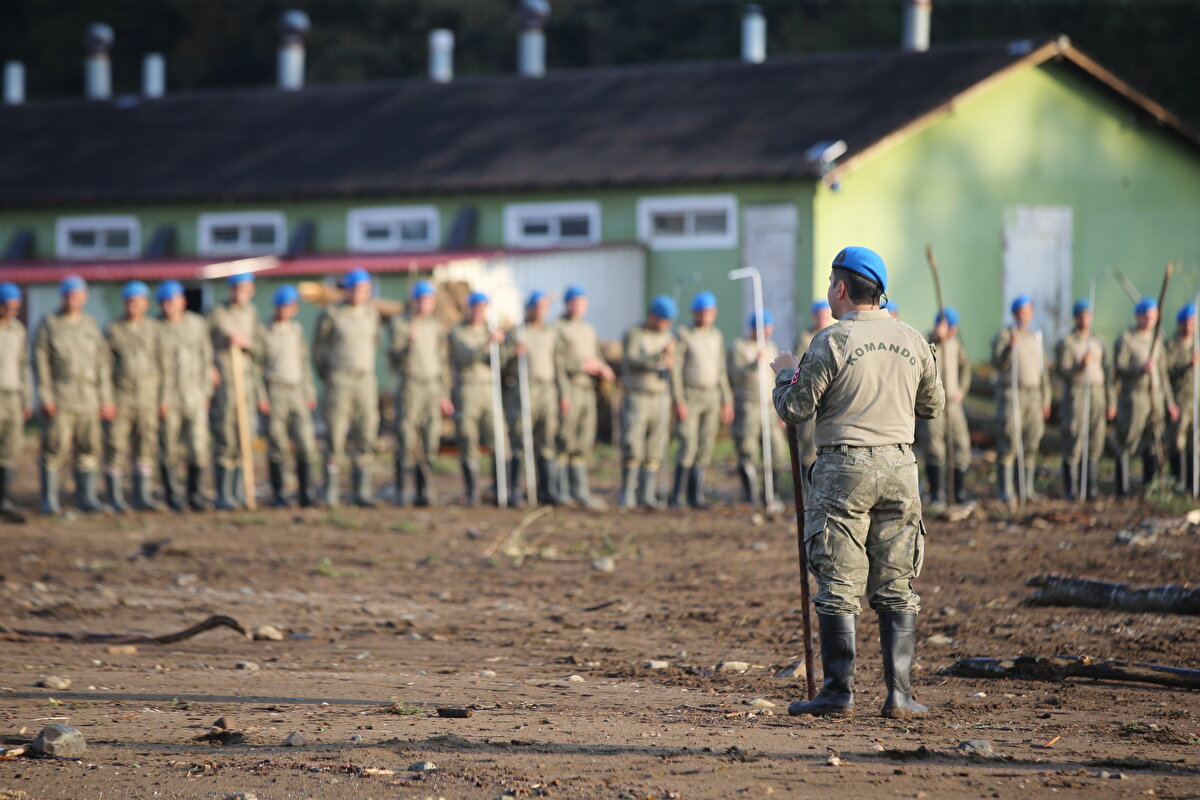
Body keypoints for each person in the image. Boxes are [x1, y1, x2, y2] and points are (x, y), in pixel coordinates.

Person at [771, 245, 943, 719]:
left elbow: (795, 410)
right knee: (896, 581)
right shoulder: (912, 339)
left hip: (844, 470)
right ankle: (900, 694)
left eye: (830, 283)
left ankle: (837, 692)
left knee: (839, 581)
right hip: (900, 470)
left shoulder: (831, 341)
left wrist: (786, 374)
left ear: (841, 288)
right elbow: (933, 405)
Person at [33, 275, 114, 514]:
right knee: (53, 449)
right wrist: (46, 397)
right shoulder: (50, 324)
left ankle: (86, 498)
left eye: (78, 295)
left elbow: (102, 365)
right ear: (62, 297)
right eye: (69, 295)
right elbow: (41, 364)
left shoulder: (90, 325)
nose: (73, 300)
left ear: (84, 297)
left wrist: (106, 399)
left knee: (88, 449)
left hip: (88, 398)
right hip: (61, 397)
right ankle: (49, 500)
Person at [312, 267, 381, 507]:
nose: (360, 293)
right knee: (335, 434)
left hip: (365, 380)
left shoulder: (372, 315)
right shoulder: (333, 315)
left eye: (365, 289)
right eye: (356, 288)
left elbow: (375, 342)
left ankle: (361, 491)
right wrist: (329, 375)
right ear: (347, 290)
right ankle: (330, 490)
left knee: (366, 434)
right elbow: (318, 351)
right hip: (340, 379)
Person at [388, 279, 452, 507]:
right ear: (413, 301)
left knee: (430, 437)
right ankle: (400, 490)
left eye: (429, 300)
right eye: (421, 300)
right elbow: (393, 356)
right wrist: (407, 342)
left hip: (432, 387)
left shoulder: (436, 326)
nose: (425, 304)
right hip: (410, 386)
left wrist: (444, 394)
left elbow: (443, 362)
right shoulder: (401, 323)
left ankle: (424, 490)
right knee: (406, 438)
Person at [668, 291, 733, 509]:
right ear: (694, 313)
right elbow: (675, 370)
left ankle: (697, 495)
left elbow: (721, 370)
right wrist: (679, 400)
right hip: (690, 394)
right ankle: (677, 495)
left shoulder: (716, 336)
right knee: (688, 443)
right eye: (701, 313)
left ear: (714, 314)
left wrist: (727, 400)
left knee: (705, 445)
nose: (705, 317)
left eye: (709, 313)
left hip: (711, 395)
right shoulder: (684, 334)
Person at [105, 281, 164, 511]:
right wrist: (107, 399)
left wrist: (163, 398)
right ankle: (115, 498)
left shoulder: (154, 329)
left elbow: (162, 364)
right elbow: (105, 367)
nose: (133, 307)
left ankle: (143, 497)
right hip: (122, 396)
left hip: (148, 396)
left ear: (146, 304)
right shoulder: (114, 329)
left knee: (146, 445)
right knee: (116, 445)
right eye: (130, 302)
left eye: (138, 302)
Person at [209, 272, 267, 510]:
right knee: (226, 436)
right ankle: (224, 494)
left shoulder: (252, 314)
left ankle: (239, 491)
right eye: (237, 288)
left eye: (246, 288)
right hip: (225, 382)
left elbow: (260, 347)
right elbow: (204, 345)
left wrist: (247, 344)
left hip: (246, 381)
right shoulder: (217, 314)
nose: (241, 292)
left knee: (245, 436)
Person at [156, 280, 214, 511]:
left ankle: (195, 494)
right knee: (168, 447)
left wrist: (206, 392)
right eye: (166, 302)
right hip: (168, 397)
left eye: (174, 301)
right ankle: (172, 495)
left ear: (183, 301)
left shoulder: (197, 325)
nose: (170, 306)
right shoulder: (156, 328)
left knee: (198, 447)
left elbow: (205, 358)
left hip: (195, 395)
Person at [555, 285, 615, 509]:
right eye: (574, 302)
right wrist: (578, 366)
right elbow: (556, 362)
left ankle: (580, 490)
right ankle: (560, 489)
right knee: (565, 439)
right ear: (567, 304)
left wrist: (603, 368)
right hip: (569, 389)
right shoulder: (558, 329)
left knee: (583, 440)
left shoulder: (588, 329)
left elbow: (596, 357)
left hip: (587, 390)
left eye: (581, 303)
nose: (578, 307)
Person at [503, 290, 564, 506]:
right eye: (536, 307)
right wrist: (512, 354)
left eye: (544, 307)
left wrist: (563, 394)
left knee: (546, 439)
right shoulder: (517, 333)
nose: (540, 311)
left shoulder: (551, 333)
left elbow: (558, 366)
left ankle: (548, 489)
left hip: (547, 390)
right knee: (520, 440)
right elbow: (502, 367)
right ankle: (514, 491)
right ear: (528, 309)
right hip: (524, 389)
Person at [1113, 297, 1179, 496]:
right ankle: (1122, 487)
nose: (1149, 321)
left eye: (1153, 317)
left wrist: (1170, 402)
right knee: (1128, 440)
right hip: (1135, 396)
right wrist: (1139, 368)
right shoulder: (1126, 339)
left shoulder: (1157, 340)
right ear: (1138, 317)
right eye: (1146, 316)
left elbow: (1163, 375)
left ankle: (1149, 485)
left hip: (1155, 397)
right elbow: (1119, 368)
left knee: (1153, 440)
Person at [990, 295, 1051, 503]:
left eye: (1028, 311)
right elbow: (996, 363)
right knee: (1009, 440)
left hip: (1033, 395)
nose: (1024, 316)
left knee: (1031, 440)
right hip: (1011, 394)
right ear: (1014, 313)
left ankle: (1027, 489)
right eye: (1020, 312)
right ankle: (1006, 491)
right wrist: (1010, 347)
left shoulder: (1036, 337)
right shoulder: (1004, 335)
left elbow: (1043, 372)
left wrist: (1046, 398)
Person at [262, 285, 318, 507]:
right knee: (277, 443)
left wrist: (309, 391)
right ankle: (279, 494)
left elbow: (304, 363)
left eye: (291, 306)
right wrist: (261, 395)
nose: (286, 310)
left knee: (305, 443)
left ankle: (306, 493)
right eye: (283, 306)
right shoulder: (265, 331)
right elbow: (257, 367)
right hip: (275, 389)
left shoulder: (296, 330)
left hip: (297, 390)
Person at [619, 295, 676, 509]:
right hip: (638, 395)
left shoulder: (668, 336)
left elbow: (672, 368)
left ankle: (647, 493)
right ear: (653, 316)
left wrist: (669, 363)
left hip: (660, 396)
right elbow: (633, 361)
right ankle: (627, 493)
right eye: (663, 320)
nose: (666, 325)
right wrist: (657, 357)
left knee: (654, 446)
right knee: (632, 443)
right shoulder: (634, 334)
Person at [449, 291, 505, 506]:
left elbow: (501, 361)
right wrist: (486, 343)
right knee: (467, 437)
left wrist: (505, 346)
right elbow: (464, 357)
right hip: (467, 388)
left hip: (489, 389)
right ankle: (472, 492)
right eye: (476, 307)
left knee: (497, 438)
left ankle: (500, 488)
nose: (479, 311)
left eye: (483, 307)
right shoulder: (458, 332)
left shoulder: (490, 330)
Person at [1055, 299, 1113, 500]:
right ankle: (1071, 488)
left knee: (1096, 438)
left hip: (1097, 391)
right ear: (1075, 317)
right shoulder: (1068, 342)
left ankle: (1092, 487)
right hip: (1077, 392)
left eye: (1088, 315)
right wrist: (1079, 365)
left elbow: (1108, 371)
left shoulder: (1098, 341)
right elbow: (1062, 371)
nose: (1085, 319)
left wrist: (1110, 400)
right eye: (1081, 315)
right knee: (1074, 436)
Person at [728, 309, 786, 506]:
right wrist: (754, 363)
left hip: (769, 407)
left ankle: (772, 491)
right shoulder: (739, 347)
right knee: (748, 449)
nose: (768, 333)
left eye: (770, 329)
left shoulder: (771, 347)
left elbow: (776, 377)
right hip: (748, 405)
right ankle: (749, 493)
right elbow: (735, 375)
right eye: (764, 329)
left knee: (777, 450)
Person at [920, 307, 971, 505]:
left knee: (961, 444)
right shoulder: (927, 341)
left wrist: (962, 389)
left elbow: (965, 365)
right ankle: (936, 492)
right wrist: (936, 338)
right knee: (935, 447)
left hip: (953, 403)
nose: (953, 331)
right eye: (951, 327)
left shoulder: (955, 344)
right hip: (934, 404)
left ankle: (959, 491)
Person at [0, 282, 31, 521]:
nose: (13, 312)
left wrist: (26, 399)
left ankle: (3, 499)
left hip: (13, 395)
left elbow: (23, 366)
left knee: (9, 449)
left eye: (16, 308)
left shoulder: (18, 330)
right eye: (9, 307)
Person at [794, 299, 834, 471]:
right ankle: (806, 489)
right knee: (809, 445)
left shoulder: (834, 336)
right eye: (819, 315)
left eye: (825, 315)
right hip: (811, 395)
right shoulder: (805, 339)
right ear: (813, 316)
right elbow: (800, 367)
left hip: (831, 398)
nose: (822, 319)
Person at [1166, 303, 1198, 492]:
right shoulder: (1172, 346)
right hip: (1180, 400)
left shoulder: (1198, 344)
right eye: (1186, 323)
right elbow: (1167, 372)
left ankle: (1195, 484)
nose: (1189, 327)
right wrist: (1187, 365)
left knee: (1196, 444)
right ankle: (1179, 482)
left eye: (1192, 323)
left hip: (1197, 401)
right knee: (1177, 442)